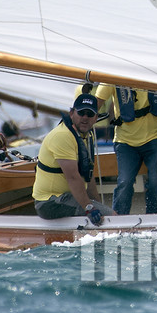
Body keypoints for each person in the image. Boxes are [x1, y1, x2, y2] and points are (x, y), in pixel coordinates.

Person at [31, 92, 112, 222]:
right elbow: (73, 177)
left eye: (90, 114)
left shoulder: (86, 135)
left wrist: (97, 205)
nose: (85, 118)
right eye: (81, 113)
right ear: (71, 113)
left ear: (96, 118)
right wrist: (90, 208)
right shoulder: (63, 135)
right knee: (111, 217)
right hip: (49, 202)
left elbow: (88, 176)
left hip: (68, 196)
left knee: (107, 216)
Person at [95, 85, 157, 214]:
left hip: (156, 137)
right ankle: (119, 218)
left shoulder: (156, 76)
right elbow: (96, 104)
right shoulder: (113, 77)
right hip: (125, 141)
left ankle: (153, 216)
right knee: (125, 182)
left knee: (156, 181)